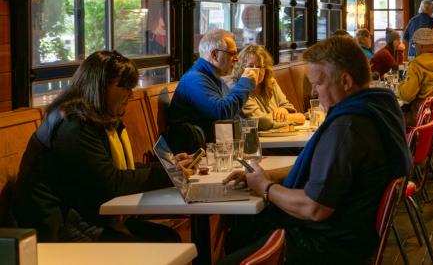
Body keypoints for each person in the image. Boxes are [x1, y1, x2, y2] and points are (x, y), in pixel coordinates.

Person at [219, 36, 412, 264]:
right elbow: (328, 174)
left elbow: (315, 208)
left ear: (346, 81)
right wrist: (270, 176)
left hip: (328, 246)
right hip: (357, 237)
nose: (313, 92)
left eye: (318, 83)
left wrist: (265, 187)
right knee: (239, 236)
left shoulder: (347, 127)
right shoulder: (380, 107)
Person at [12, 50, 190, 242]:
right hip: (57, 227)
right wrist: (169, 173)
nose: (130, 94)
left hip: (82, 215)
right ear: (101, 87)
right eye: (125, 87)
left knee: (166, 238)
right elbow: (112, 183)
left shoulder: (91, 119)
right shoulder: (73, 124)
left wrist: (169, 166)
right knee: (162, 242)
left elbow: (109, 170)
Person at [168, 29, 258, 152]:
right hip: (195, 155)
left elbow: (235, 117)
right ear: (215, 55)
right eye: (232, 53)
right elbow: (221, 112)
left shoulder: (213, 78)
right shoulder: (195, 79)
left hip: (216, 148)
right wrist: (245, 82)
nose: (236, 58)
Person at [230, 45, 305, 130]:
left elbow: (288, 106)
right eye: (250, 66)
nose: (255, 71)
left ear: (265, 69)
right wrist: (296, 117)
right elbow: (262, 122)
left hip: (279, 136)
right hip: (256, 140)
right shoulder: (239, 89)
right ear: (241, 69)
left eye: (259, 67)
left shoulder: (271, 82)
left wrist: (283, 110)